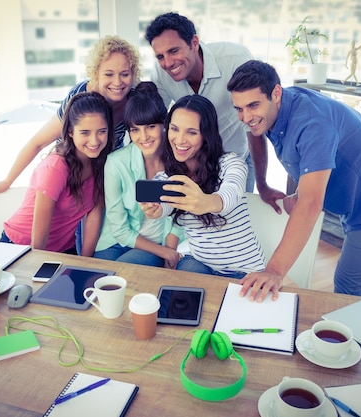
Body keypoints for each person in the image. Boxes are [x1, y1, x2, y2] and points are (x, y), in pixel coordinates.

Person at [227, 60, 361, 300]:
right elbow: (254, 133)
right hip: (354, 194)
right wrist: (262, 184)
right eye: (239, 108)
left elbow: (312, 203)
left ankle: (355, 330)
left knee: (347, 283)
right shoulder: (270, 111)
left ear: (276, 93)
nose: (245, 117)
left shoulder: (313, 124)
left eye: (252, 106)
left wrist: (274, 271)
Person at [0, 35, 140, 196]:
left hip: (101, 176)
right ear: (96, 74)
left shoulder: (133, 101)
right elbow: (38, 143)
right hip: (69, 171)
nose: (118, 82)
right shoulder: (80, 96)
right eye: (109, 74)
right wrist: (7, 181)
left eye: (124, 74)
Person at [141, 95, 265, 278]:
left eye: (191, 132)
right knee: (172, 298)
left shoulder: (232, 163)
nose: (179, 140)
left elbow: (232, 192)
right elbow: (165, 204)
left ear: (206, 135)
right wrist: (155, 209)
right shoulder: (167, 176)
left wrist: (206, 202)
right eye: (174, 129)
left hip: (244, 270)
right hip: (198, 263)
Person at [144, 12, 256, 192]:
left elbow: (254, 124)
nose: (168, 63)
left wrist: (264, 183)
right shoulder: (160, 74)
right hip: (191, 167)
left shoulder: (236, 60)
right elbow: (156, 125)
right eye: (160, 56)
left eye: (174, 51)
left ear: (194, 43)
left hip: (236, 158)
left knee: (236, 214)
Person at [0, 92, 113, 255]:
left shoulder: (102, 163)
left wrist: (86, 263)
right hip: (21, 248)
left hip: (63, 250)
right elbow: (38, 244)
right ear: (70, 132)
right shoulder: (55, 168)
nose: (94, 141)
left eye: (101, 131)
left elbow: (94, 216)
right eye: (85, 133)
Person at [94, 82, 183, 268]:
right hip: (115, 242)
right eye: (135, 129)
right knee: (99, 280)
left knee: (123, 274)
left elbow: (180, 217)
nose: (143, 137)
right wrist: (165, 253)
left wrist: (169, 250)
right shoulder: (116, 163)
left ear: (164, 124)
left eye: (150, 126)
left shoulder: (179, 160)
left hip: (152, 246)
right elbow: (119, 229)